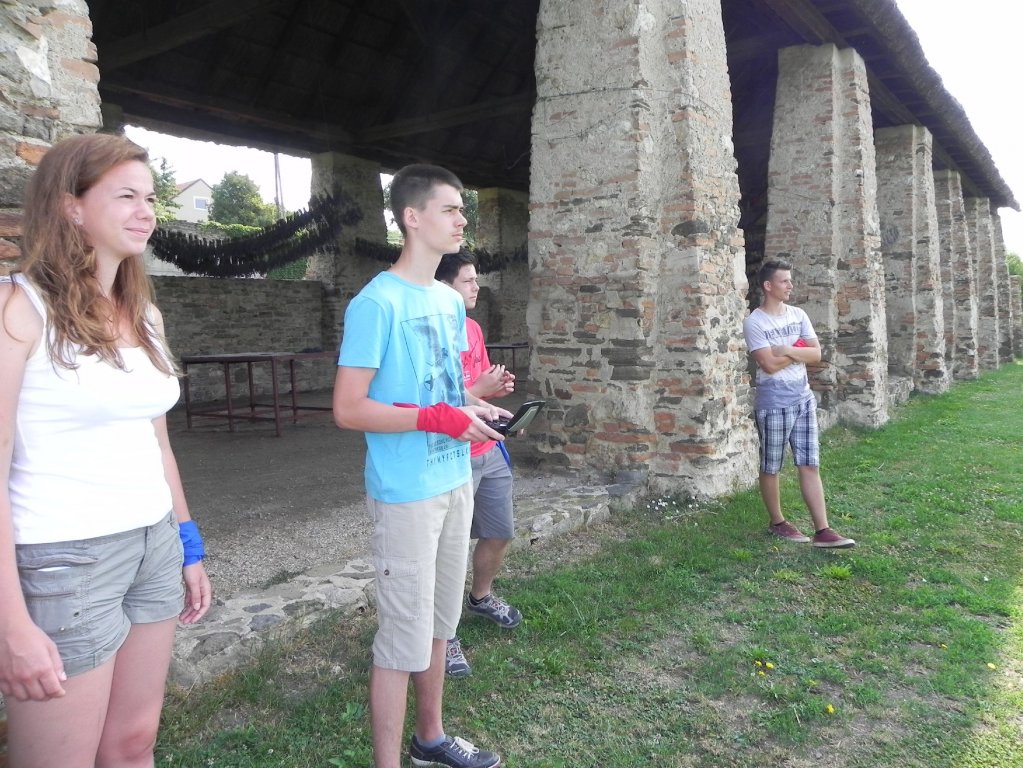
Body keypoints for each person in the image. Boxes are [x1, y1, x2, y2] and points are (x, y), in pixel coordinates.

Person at [0, 133, 212, 767]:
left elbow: (156, 440)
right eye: (126, 196)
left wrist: (187, 542)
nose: (146, 212)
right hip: (65, 558)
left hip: (153, 544)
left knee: (132, 743)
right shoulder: (19, 308)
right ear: (71, 206)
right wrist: (11, 623)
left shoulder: (144, 314)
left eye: (150, 198)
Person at [333, 165, 508, 768]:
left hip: (455, 477)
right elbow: (348, 408)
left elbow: (444, 389)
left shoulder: (447, 300)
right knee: (400, 638)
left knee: (439, 624)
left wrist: (472, 405)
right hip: (406, 491)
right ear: (412, 217)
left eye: (463, 209)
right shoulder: (374, 303)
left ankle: (430, 740)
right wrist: (436, 417)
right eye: (450, 209)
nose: (462, 220)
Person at [434, 251, 520, 679]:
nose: (476, 287)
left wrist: (494, 393)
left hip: (487, 449)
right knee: (446, 551)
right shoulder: (433, 332)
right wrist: (479, 389)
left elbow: (475, 392)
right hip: (453, 455)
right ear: (445, 286)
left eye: (475, 279)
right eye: (468, 280)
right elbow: (436, 396)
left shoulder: (472, 328)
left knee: (500, 531)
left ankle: (481, 597)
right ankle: (444, 634)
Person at [742, 259, 855, 549]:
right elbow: (768, 365)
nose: (790, 285)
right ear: (768, 286)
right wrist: (798, 350)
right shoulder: (755, 322)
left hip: (803, 398)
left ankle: (823, 530)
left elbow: (816, 354)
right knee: (771, 466)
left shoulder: (798, 314)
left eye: (790, 280)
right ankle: (778, 522)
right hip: (774, 402)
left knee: (809, 463)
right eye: (785, 281)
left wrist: (786, 350)